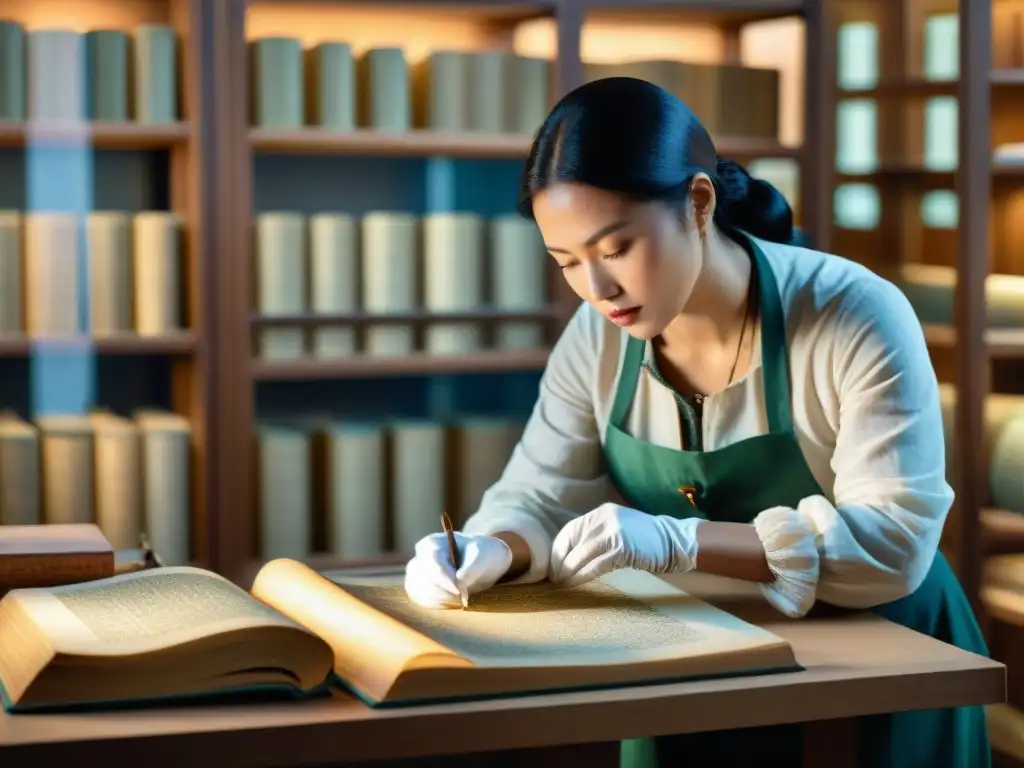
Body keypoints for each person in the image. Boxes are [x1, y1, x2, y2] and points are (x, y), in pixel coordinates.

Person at [402, 76, 990, 767]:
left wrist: (680, 543)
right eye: (567, 262)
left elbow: (892, 545)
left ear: (699, 202)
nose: (597, 289)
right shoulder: (598, 339)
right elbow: (538, 494)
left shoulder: (852, 313)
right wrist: (492, 550)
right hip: (699, 656)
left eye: (616, 248)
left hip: (882, 663)